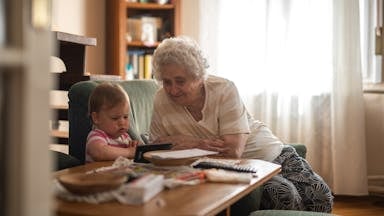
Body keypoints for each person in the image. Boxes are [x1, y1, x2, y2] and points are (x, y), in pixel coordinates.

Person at [149, 36, 334, 212]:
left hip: (274, 155)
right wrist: (196, 143)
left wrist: (183, 142)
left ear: (198, 77)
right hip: (242, 170)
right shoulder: (160, 99)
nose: (172, 90)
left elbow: (232, 150)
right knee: (284, 194)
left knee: (321, 197)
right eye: (166, 82)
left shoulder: (223, 89)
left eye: (180, 81)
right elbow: (156, 150)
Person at [85, 82, 139, 162]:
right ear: (96, 118)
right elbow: (99, 152)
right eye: (115, 118)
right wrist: (129, 152)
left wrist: (135, 148)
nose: (122, 122)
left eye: (125, 117)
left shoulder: (125, 137)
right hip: (98, 174)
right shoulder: (96, 136)